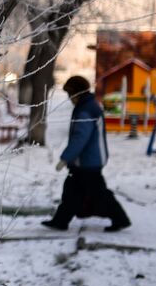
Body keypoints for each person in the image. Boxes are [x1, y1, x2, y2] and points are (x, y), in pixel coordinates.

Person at [42, 76, 131, 232]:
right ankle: (60, 221)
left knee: (98, 193)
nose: (69, 98)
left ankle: (120, 219)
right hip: (85, 161)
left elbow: (80, 138)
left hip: (88, 161)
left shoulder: (86, 110)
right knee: (71, 191)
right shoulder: (87, 106)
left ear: (77, 93)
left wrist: (65, 158)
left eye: (70, 94)